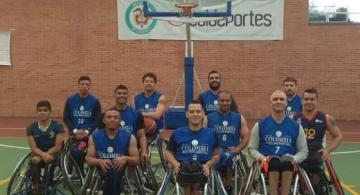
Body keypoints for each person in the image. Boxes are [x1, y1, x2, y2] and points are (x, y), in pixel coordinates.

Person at [248, 90, 308, 195]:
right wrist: (262, 158)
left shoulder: (296, 126)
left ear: (286, 103)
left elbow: (303, 151)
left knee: (287, 163)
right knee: (274, 163)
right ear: (271, 102)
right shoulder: (260, 125)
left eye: (281, 99)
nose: (278, 101)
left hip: (288, 161)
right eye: (275, 99)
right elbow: (251, 148)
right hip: (267, 161)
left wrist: (295, 159)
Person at [292, 87, 343, 194]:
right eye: (306, 99)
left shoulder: (325, 118)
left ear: (316, 101)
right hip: (298, 152)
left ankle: (315, 188)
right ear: (302, 101)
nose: (309, 102)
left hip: (315, 152)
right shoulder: (294, 118)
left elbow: (338, 136)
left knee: (315, 161)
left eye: (312, 99)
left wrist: (327, 150)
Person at [165, 100, 220, 195]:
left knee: (197, 169)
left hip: (202, 168)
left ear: (203, 114)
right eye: (192, 112)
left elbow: (217, 155)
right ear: (187, 114)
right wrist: (174, 163)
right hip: (182, 168)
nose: (195, 114)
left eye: (198, 111)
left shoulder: (211, 133)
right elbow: (168, 152)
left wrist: (208, 165)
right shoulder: (177, 133)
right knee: (186, 166)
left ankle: (196, 190)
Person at [86, 109, 139, 195]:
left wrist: (124, 158)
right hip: (101, 170)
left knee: (113, 170)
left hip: (122, 171)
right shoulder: (94, 136)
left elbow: (136, 160)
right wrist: (99, 161)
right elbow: (89, 159)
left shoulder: (130, 137)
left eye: (115, 117)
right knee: (110, 170)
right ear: (103, 120)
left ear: (120, 120)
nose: (112, 119)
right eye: (109, 117)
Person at [207, 90, 250, 194]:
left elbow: (246, 137)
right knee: (220, 155)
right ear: (218, 101)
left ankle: (228, 184)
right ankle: (221, 182)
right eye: (222, 100)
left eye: (227, 100)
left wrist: (237, 149)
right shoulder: (208, 118)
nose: (225, 103)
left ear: (231, 101)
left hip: (232, 152)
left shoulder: (239, 118)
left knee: (227, 155)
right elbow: (203, 136)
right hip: (215, 152)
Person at [63, 75, 101, 171]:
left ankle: (82, 173)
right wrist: (75, 131)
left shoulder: (95, 101)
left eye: (87, 84)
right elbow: (66, 118)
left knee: (80, 151)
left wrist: (87, 131)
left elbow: (97, 120)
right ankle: (72, 170)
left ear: (90, 86)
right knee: (74, 151)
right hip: (74, 134)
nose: (85, 86)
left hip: (88, 135)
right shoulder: (70, 100)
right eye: (82, 84)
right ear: (78, 85)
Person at [27, 100, 64, 194]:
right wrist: (42, 156)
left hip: (53, 154)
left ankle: (47, 184)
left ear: (49, 112)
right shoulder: (31, 127)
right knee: (33, 162)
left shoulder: (57, 126)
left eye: (45, 110)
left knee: (50, 162)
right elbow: (33, 148)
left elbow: (58, 147)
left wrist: (44, 156)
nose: (42, 112)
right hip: (38, 154)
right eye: (39, 110)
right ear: (36, 112)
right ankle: (36, 185)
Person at [112, 84, 148, 161]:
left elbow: (141, 135)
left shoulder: (137, 114)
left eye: (124, 93)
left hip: (131, 150)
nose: (122, 95)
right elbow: (100, 134)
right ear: (114, 95)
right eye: (119, 93)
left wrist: (144, 151)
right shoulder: (108, 114)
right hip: (113, 149)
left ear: (128, 95)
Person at [133, 72, 167, 140]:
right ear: (143, 83)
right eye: (146, 81)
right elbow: (134, 117)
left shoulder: (161, 97)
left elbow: (157, 115)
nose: (149, 83)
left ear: (154, 84)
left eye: (151, 82)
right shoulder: (136, 98)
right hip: (141, 131)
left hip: (157, 131)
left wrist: (140, 114)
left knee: (156, 150)